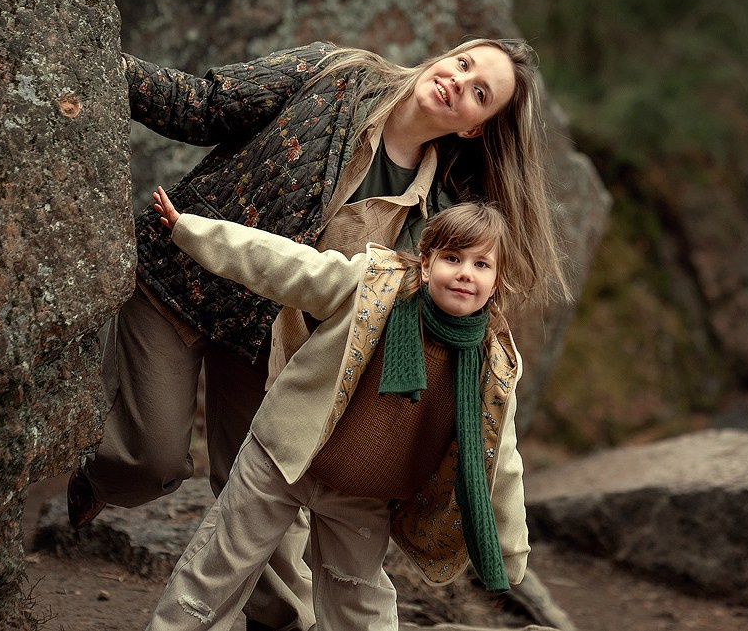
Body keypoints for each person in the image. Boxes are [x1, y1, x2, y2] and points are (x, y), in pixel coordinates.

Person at [68, 38, 568, 631]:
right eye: (463, 64)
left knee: (265, 505)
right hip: (185, 280)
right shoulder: (334, 75)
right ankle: (98, 479)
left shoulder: (432, 220)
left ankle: (277, 625)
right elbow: (205, 105)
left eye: (480, 93)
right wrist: (96, 60)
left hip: (273, 341)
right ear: (445, 57)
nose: (459, 82)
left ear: (476, 129)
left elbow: (406, 318)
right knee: (147, 461)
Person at [146, 191, 531, 631]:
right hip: (283, 461)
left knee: (360, 606)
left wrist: (512, 548)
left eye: (481, 265)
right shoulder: (372, 286)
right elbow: (283, 265)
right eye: (453, 258)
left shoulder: (493, 367)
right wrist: (190, 230)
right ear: (426, 265)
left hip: (363, 494)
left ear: (497, 281)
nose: (465, 274)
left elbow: (500, 457)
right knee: (217, 571)